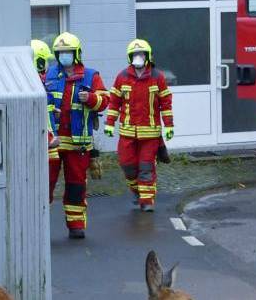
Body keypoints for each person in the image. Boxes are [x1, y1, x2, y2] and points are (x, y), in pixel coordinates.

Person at [45, 32, 109, 239]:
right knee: (45, 183)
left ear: (76, 54)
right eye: (60, 52)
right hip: (53, 142)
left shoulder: (91, 76)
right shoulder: (50, 75)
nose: (64, 56)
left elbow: (105, 100)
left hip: (78, 143)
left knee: (76, 185)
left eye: (68, 52)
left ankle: (76, 225)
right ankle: (37, 224)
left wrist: (90, 98)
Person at [104, 39, 174, 212]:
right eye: (135, 55)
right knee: (127, 166)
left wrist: (169, 125)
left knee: (146, 166)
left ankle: (147, 200)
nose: (138, 57)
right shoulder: (122, 77)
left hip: (150, 134)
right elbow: (114, 102)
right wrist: (110, 124)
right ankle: (137, 192)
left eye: (141, 54)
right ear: (130, 57)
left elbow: (166, 103)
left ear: (148, 56)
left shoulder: (158, 77)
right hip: (127, 133)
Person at [31, 39, 61, 203]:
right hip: (44, 144)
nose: (47, 66)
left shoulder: (40, 83)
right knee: (42, 188)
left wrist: (53, 111)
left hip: (50, 143)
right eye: (45, 61)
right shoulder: (34, 86)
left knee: (49, 182)